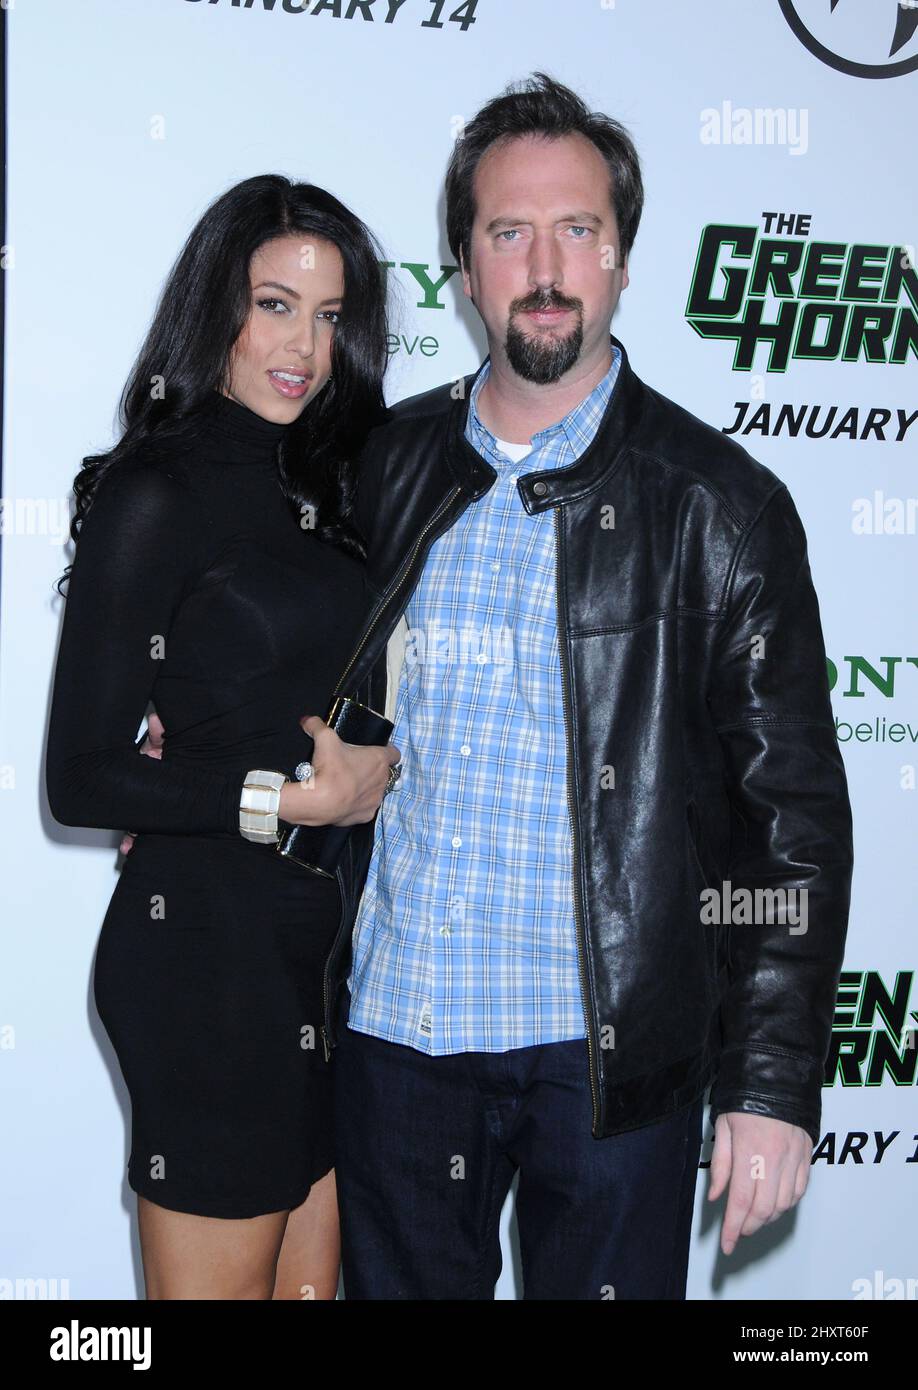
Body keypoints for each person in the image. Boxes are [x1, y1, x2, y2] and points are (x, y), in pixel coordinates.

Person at [322, 73, 855, 1299]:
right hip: (398, 1032)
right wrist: (186, 767)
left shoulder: (721, 506)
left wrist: (770, 1085)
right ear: (464, 264)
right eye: (510, 232)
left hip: (608, 1056)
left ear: (623, 261)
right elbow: (284, 668)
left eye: (580, 232)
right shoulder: (384, 466)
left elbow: (791, 823)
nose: (546, 265)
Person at [45, 174, 400, 1301]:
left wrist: (375, 779)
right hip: (204, 956)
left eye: (331, 315)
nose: (303, 344)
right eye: (274, 304)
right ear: (217, 310)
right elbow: (82, 774)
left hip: (317, 955)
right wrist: (285, 802)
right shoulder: (159, 490)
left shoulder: (338, 486)